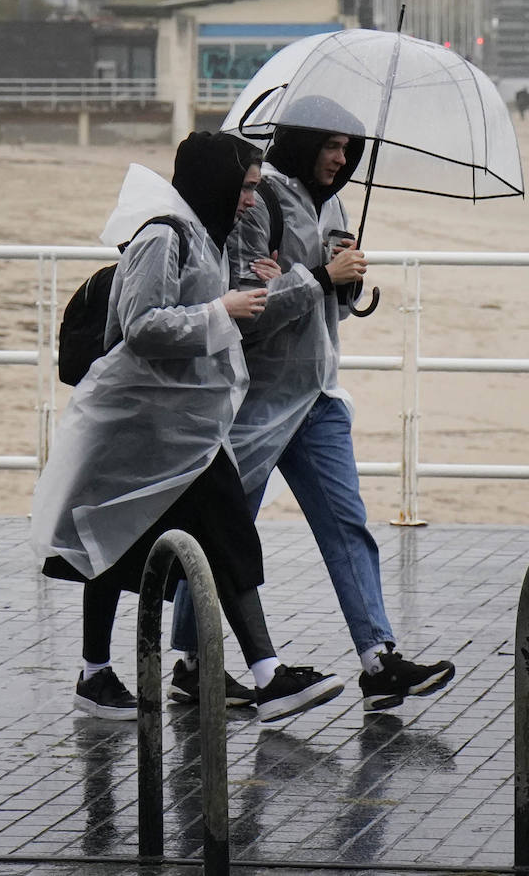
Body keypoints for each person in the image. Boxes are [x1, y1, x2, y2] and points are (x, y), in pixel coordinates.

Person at [31, 131, 345, 725]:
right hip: (141, 424)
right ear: (216, 182)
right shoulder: (162, 235)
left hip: (186, 428)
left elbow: (208, 307)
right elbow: (142, 325)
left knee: (214, 538)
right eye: (247, 187)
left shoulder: (207, 236)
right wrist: (220, 310)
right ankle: (103, 675)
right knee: (113, 536)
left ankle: (264, 674)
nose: (253, 200)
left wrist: (261, 284)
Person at [170, 97, 455, 714]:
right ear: (302, 143)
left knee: (347, 526)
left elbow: (330, 305)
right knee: (225, 531)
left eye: (349, 150)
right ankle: (192, 666)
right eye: (331, 146)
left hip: (320, 398)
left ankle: (379, 659)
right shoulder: (259, 202)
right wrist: (323, 277)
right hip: (257, 400)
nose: (341, 159)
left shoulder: (337, 204)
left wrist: (345, 287)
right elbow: (247, 312)